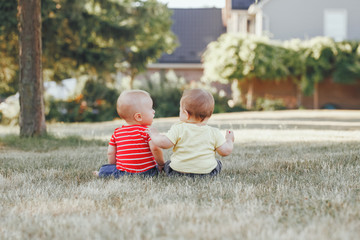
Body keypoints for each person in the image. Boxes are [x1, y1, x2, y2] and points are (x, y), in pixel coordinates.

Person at [148, 88, 234, 177]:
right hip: (206, 173)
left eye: (180, 111)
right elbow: (225, 151)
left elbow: (164, 143)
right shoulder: (214, 132)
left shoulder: (178, 128)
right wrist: (229, 140)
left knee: (169, 163)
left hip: (177, 172)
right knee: (217, 163)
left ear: (186, 113)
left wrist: (154, 134)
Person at [94, 90, 165, 178]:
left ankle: (101, 174)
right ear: (138, 117)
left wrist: (113, 168)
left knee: (104, 169)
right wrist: (161, 164)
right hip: (148, 172)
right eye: (150, 108)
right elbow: (155, 148)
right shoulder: (147, 131)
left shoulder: (117, 133)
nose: (153, 111)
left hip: (122, 173)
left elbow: (110, 153)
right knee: (167, 166)